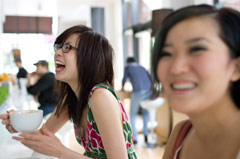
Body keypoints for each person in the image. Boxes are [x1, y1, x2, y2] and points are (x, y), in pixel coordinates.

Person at [0, 25, 137, 159]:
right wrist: (19, 124)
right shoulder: (72, 98)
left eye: (67, 48)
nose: (57, 53)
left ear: (89, 58)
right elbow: (43, 136)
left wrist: (61, 151)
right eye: (58, 47)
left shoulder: (101, 97)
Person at [151, 4, 240, 159]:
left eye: (197, 49)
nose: (176, 68)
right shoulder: (181, 135)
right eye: (166, 53)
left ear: (236, 68)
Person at [122, 57, 152, 145]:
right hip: (148, 91)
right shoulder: (142, 67)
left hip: (138, 92)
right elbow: (150, 79)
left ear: (127, 63)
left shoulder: (128, 67)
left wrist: (123, 87)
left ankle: (135, 138)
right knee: (145, 113)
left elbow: (124, 79)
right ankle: (146, 134)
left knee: (132, 114)